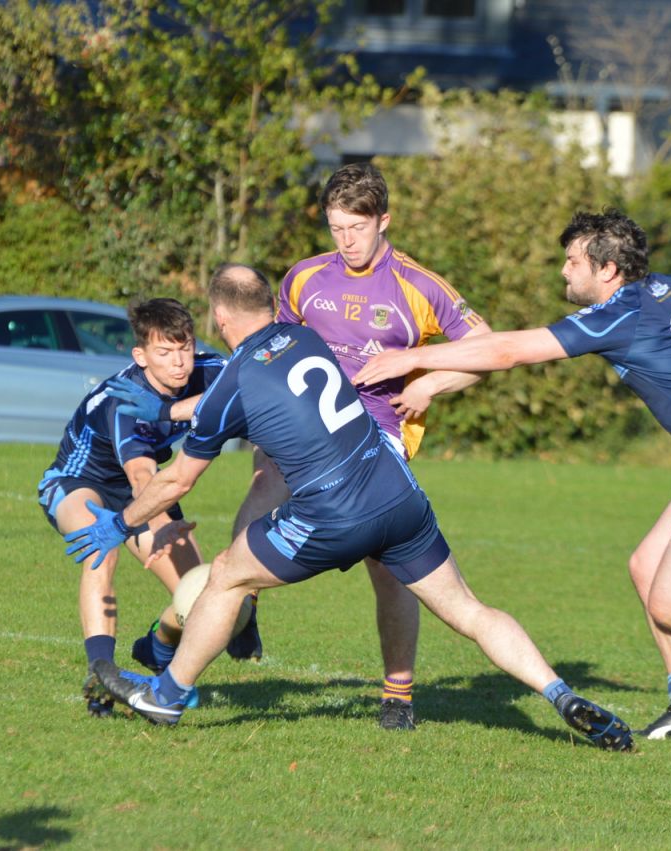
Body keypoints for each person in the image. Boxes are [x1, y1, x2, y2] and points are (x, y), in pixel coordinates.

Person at [67, 264, 633, 751]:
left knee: (225, 578)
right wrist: (171, 415)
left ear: (220, 320)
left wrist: (120, 523)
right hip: (398, 492)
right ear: (271, 304)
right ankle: (560, 694)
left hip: (331, 512)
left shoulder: (232, 379)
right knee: (468, 610)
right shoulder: (310, 338)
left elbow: (174, 483)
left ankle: (166, 696)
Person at [353, 210, 671, 743]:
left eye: (572, 261)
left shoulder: (619, 313)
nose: (563, 272)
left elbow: (509, 350)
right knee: (645, 566)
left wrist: (414, 357)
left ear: (607, 270)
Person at [226, 162, 493, 731]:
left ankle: (398, 690)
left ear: (384, 220)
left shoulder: (418, 286)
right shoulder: (303, 279)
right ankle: (242, 604)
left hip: (377, 436)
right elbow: (273, 344)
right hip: (305, 423)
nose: (346, 241)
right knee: (263, 479)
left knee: (388, 564)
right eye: (336, 228)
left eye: (357, 227)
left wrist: (428, 379)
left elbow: (487, 348)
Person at [38, 297, 228, 717]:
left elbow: (255, 385)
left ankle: (157, 645)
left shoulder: (210, 370)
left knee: (200, 593)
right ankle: (100, 673)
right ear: (140, 356)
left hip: (142, 489)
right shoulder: (126, 399)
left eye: (185, 348)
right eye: (165, 352)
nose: (179, 362)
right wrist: (158, 518)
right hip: (78, 483)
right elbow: (142, 478)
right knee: (98, 549)